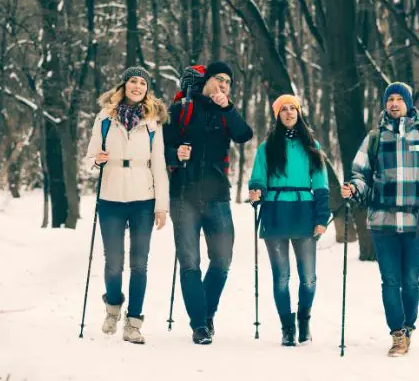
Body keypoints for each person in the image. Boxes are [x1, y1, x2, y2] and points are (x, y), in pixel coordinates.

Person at [340, 81, 419, 357]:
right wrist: (354, 188)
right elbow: (361, 175)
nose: (393, 104)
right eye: (389, 99)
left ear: (408, 103)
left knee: (411, 280)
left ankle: (409, 326)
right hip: (382, 223)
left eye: (398, 99)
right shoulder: (374, 139)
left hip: (415, 224)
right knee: (390, 280)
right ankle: (397, 333)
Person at [163, 61, 253, 345]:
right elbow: (160, 148)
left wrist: (228, 107)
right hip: (183, 195)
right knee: (190, 262)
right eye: (219, 79)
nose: (224, 84)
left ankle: (206, 312)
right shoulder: (180, 110)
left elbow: (244, 135)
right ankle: (200, 325)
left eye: (228, 81)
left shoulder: (226, 113)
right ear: (206, 81)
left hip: (217, 195)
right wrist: (176, 153)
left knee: (223, 260)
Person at [84, 66, 169, 344]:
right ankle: (112, 307)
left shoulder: (153, 122)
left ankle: (133, 322)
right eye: (133, 81)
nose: (137, 86)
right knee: (113, 263)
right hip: (111, 197)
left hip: (143, 199)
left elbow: (159, 164)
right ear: (124, 85)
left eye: (142, 83)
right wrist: (97, 159)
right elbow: (88, 158)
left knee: (139, 264)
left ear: (147, 90)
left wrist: (161, 205)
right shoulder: (105, 118)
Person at [248, 95, 330, 347]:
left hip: (304, 212)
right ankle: (287, 326)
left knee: (308, 277)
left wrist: (321, 217)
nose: (288, 112)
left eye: (292, 108)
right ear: (277, 115)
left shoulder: (311, 145)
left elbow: (321, 184)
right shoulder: (267, 146)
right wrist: (256, 190)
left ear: (299, 112)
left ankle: (304, 320)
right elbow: (258, 176)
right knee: (281, 277)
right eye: (283, 109)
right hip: (275, 212)